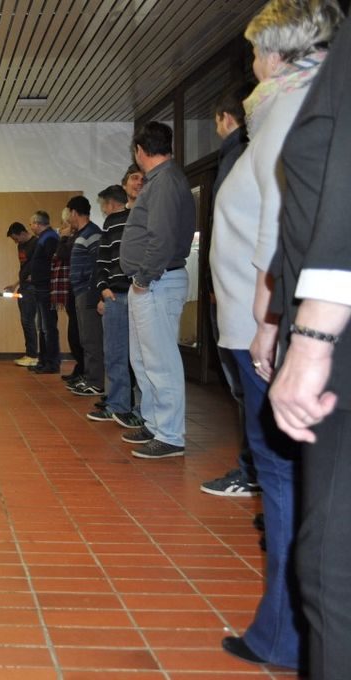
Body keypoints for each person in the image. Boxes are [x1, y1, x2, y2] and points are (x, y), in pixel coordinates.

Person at [215, 0, 342, 669]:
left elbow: (281, 228)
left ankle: (285, 635)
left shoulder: (293, 106)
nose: (252, 65)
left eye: (255, 52)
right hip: (263, 322)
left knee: (285, 477)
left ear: (278, 52)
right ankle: (285, 630)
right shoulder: (283, 110)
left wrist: (271, 324)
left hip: (270, 327)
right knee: (287, 477)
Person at [265, 11, 350, 678]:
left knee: (332, 573)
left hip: (336, 340)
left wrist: (312, 334)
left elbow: (336, 198)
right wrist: (276, 314)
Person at [120, 121, 195, 458]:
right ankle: (153, 422)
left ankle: (170, 435)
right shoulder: (161, 179)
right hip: (152, 283)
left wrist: (143, 279)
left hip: (156, 282)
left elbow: (161, 238)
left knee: (160, 360)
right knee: (143, 359)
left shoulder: (165, 182)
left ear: (140, 151)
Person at [202, 88, 260, 498]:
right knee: (246, 390)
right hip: (237, 293)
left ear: (226, 118)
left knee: (252, 390)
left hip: (248, 296)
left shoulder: (243, 157)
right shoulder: (240, 156)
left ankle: (253, 470)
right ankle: (254, 468)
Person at [89, 182, 143, 428]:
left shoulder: (134, 217)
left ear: (110, 203)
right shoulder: (115, 222)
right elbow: (103, 260)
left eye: (103, 205)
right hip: (119, 294)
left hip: (133, 293)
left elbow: (104, 262)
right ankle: (120, 406)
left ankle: (134, 409)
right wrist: (103, 289)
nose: (103, 210)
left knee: (132, 356)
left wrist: (106, 288)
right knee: (119, 354)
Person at [66, 196, 104, 397]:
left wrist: (94, 292)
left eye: (68, 213)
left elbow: (98, 265)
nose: (68, 218)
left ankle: (96, 382)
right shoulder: (81, 234)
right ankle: (89, 377)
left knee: (92, 339)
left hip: (88, 292)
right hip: (79, 291)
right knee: (84, 338)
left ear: (74, 212)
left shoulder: (93, 233)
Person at [52, 208, 82, 382]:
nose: (64, 226)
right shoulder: (73, 237)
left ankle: (84, 370)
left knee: (79, 334)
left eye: (66, 223)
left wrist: (62, 238)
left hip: (79, 289)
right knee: (74, 333)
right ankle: (80, 368)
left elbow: (62, 254)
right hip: (71, 289)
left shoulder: (77, 237)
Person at [28, 211, 60, 374]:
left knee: (48, 327)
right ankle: (43, 360)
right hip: (41, 288)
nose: (31, 227)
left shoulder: (50, 238)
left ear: (37, 223)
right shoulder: (44, 237)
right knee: (42, 327)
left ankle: (52, 363)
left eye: (31, 224)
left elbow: (52, 262)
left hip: (46, 289)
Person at [6, 222, 39, 366]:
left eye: (16, 238)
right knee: (25, 321)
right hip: (24, 287)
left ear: (23, 233)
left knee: (28, 321)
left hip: (32, 288)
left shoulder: (36, 243)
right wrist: (15, 284)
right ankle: (29, 354)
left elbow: (42, 264)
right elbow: (24, 269)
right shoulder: (21, 246)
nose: (15, 242)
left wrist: (35, 276)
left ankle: (32, 355)